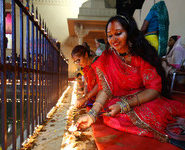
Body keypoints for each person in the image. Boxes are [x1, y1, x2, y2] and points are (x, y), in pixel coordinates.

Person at [75, 14, 185, 142]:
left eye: (118, 33)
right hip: (122, 99)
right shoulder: (108, 57)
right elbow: (105, 88)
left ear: (129, 32)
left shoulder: (142, 54)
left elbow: (153, 90)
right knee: (109, 116)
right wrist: (92, 114)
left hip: (145, 99)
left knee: (149, 115)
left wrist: (124, 105)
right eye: (110, 35)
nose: (113, 39)